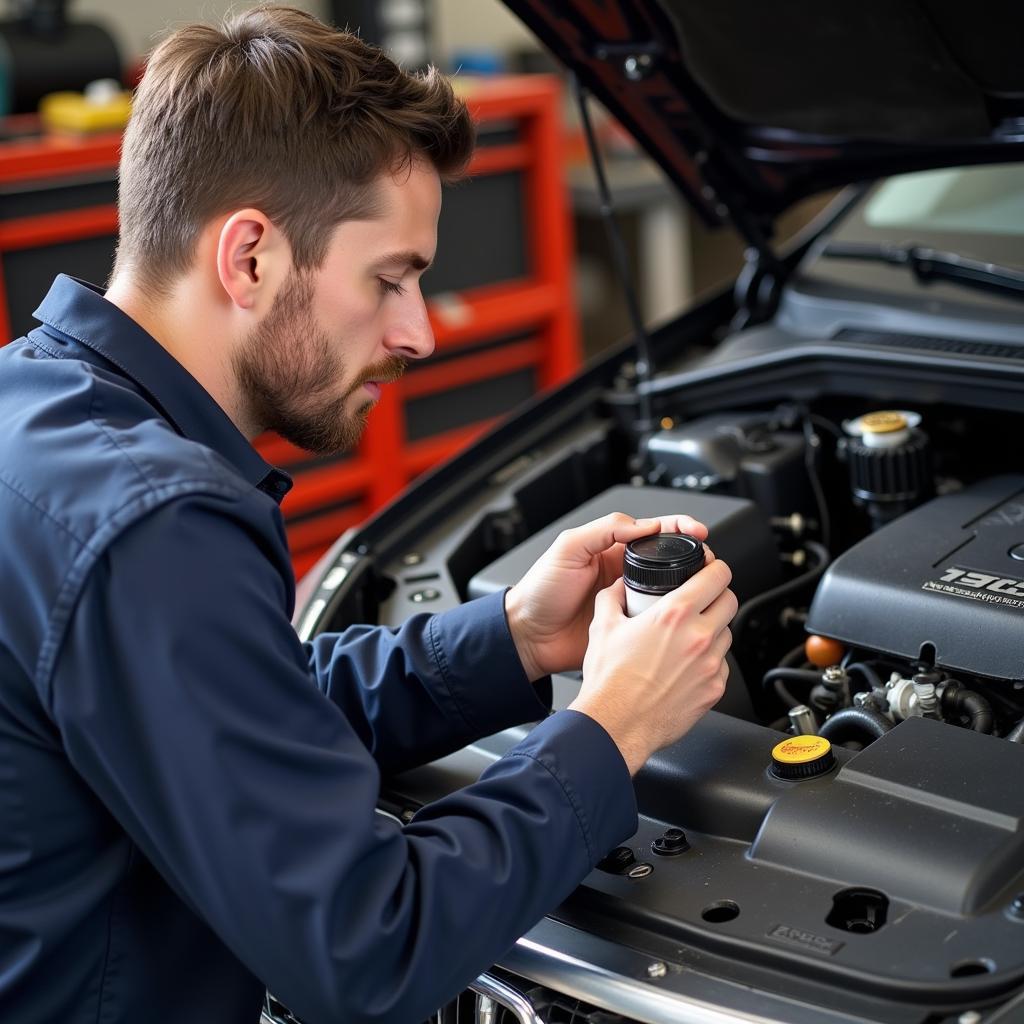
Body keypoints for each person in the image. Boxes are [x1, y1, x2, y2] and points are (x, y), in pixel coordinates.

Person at [0, 6, 736, 1022]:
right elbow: (366, 952)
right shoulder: (154, 522)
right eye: (389, 279)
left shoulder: (35, 409)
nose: (417, 332)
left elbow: (240, 717)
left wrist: (516, 637)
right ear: (249, 256)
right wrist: (611, 727)